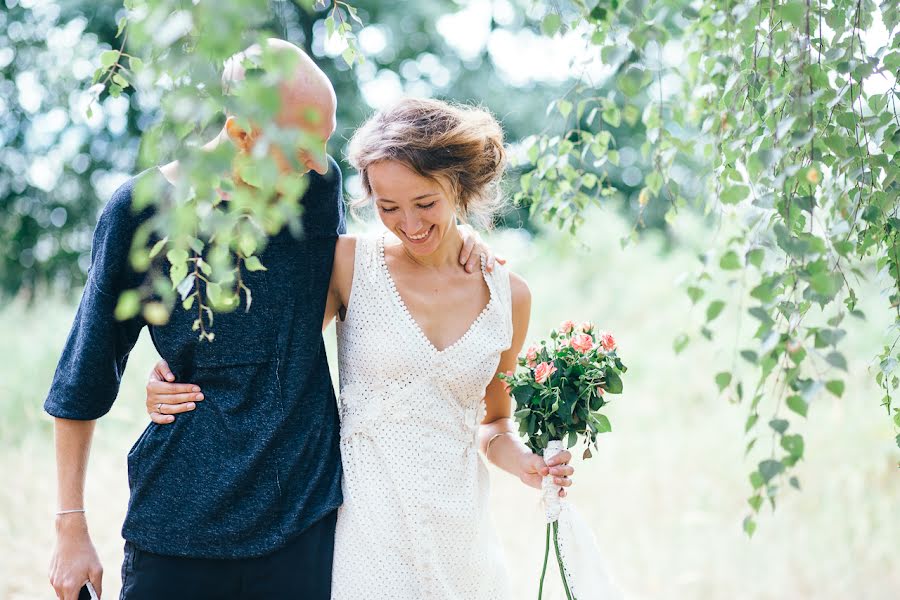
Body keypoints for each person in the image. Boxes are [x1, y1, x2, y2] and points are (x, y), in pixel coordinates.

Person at [44, 40, 493, 600]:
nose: (316, 161)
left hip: (302, 518)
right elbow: (83, 377)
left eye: (324, 141)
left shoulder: (316, 188)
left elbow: (384, 251)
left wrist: (459, 235)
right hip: (180, 521)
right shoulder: (141, 212)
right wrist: (70, 527)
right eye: (303, 145)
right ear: (240, 134)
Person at [146, 97, 576, 599]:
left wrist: (525, 462)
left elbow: (494, 423)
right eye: (388, 208)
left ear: (457, 187)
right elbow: (261, 348)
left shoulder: (510, 295)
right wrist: (169, 375)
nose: (409, 225)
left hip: (461, 535)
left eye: (426, 204)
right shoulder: (351, 266)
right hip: (363, 532)